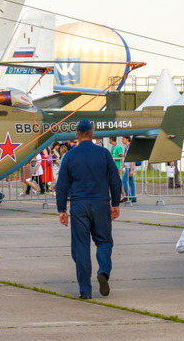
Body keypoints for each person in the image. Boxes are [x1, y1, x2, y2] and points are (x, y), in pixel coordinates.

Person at [56, 119, 122, 300]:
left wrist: (62, 209)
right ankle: (103, 271)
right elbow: (115, 181)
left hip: (79, 206)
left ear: (76, 135)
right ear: (92, 134)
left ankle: (85, 291)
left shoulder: (70, 156)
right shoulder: (104, 153)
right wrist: (115, 204)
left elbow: (61, 185)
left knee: (81, 247)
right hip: (101, 204)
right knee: (104, 242)